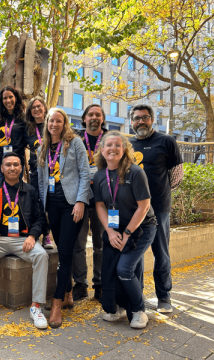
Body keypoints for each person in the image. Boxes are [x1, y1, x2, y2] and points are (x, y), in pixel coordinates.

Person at [0, 152, 48, 328]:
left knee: (42, 255)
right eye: (8, 165)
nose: (12, 168)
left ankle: (36, 306)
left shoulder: (30, 191)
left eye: (16, 164)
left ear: (21, 168)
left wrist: (32, 236)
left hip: (23, 240)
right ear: (2, 168)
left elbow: (39, 219)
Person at [92, 131, 157, 329]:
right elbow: (100, 206)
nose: (113, 148)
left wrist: (126, 234)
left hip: (142, 229)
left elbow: (144, 207)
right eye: (108, 145)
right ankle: (117, 308)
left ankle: (138, 310)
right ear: (102, 150)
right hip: (116, 229)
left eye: (117, 145)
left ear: (125, 150)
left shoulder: (135, 172)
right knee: (111, 268)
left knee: (124, 269)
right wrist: (111, 232)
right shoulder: (100, 175)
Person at [37, 108, 91, 328]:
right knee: (62, 248)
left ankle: (57, 302)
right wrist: (43, 208)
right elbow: (41, 180)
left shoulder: (75, 143)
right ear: (47, 123)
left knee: (65, 253)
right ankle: (68, 295)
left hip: (71, 205)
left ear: (64, 123)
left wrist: (80, 202)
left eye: (58, 121)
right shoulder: (43, 146)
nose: (54, 124)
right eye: (51, 120)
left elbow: (85, 173)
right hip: (53, 205)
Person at [129, 105, 183, 313]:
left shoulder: (166, 141)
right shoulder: (129, 144)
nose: (140, 122)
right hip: (133, 210)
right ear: (131, 121)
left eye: (145, 118)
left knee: (161, 251)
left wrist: (160, 192)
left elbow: (176, 175)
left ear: (152, 119)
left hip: (159, 207)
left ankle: (164, 296)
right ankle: (137, 295)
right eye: (136, 118)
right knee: (136, 253)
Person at [72, 104, 107, 302]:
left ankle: (100, 285)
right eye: (90, 114)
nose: (94, 117)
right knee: (78, 244)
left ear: (102, 119)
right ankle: (80, 284)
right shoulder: (75, 139)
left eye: (98, 115)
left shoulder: (110, 139)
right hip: (81, 199)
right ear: (84, 118)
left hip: (103, 199)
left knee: (101, 245)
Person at [24, 96, 52, 249]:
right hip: (35, 171)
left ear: (44, 107)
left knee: (50, 202)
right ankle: (41, 234)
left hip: (52, 171)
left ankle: (49, 233)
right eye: (33, 107)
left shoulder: (51, 125)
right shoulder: (28, 129)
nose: (36, 109)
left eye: (38, 106)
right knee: (37, 203)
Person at [0, 86, 27, 184]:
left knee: (12, 195)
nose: (8, 100)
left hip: (15, 164)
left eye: (10, 97)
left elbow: (25, 140)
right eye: (5, 98)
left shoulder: (23, 118)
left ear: (16, 98)